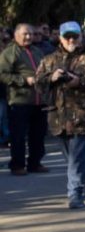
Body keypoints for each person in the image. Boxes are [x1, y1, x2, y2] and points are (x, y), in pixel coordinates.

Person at [35, 22, 85, 209]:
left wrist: (81, 81)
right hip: (59, 117)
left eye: (75, 36)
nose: (71, 40)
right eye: (67, 37)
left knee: (76, 159)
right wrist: (51, 78)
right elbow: (38, 83)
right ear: (60, 38)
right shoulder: (50, 59)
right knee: (72, 159)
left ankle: (75, 193)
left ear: (81, 36)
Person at [0, 23, 49, 175]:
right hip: (20, 100)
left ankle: (35, 163)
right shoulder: (10, 52)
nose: (29, 37)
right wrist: (23, 80)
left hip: (39, 100)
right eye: (25, 34)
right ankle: (17, 165)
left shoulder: (37, 51)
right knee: (18, 135)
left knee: (38, 134)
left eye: (31, 34)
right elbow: (3, 75)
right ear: (16, 35)